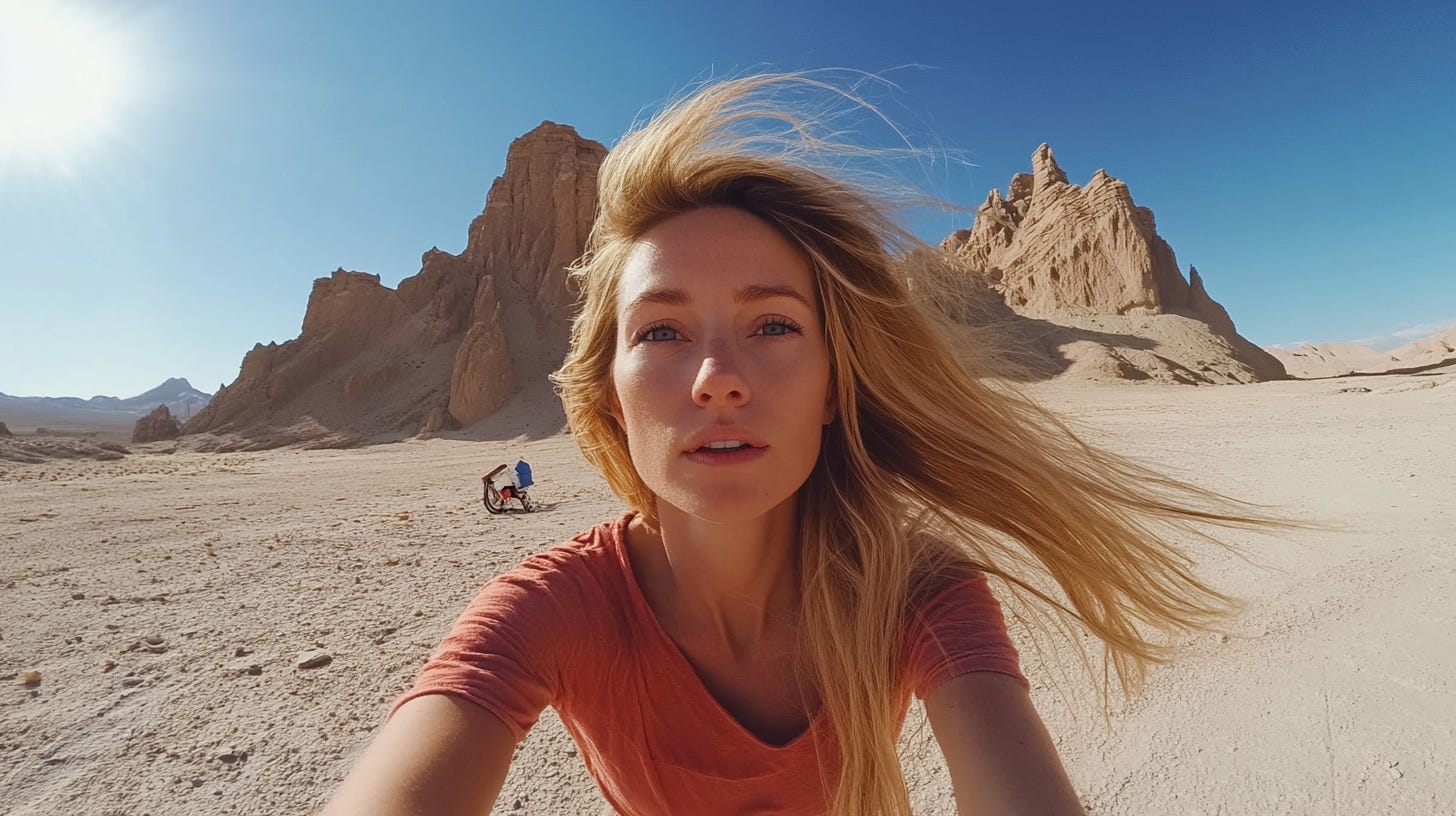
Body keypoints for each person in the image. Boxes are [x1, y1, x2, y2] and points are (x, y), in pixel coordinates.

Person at [321, 73, 1269, 816]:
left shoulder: (918, 592)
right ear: (607, 398)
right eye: (660, 332)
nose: (716, 378)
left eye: (774, 326)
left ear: (831, 388)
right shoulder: (548, 611)